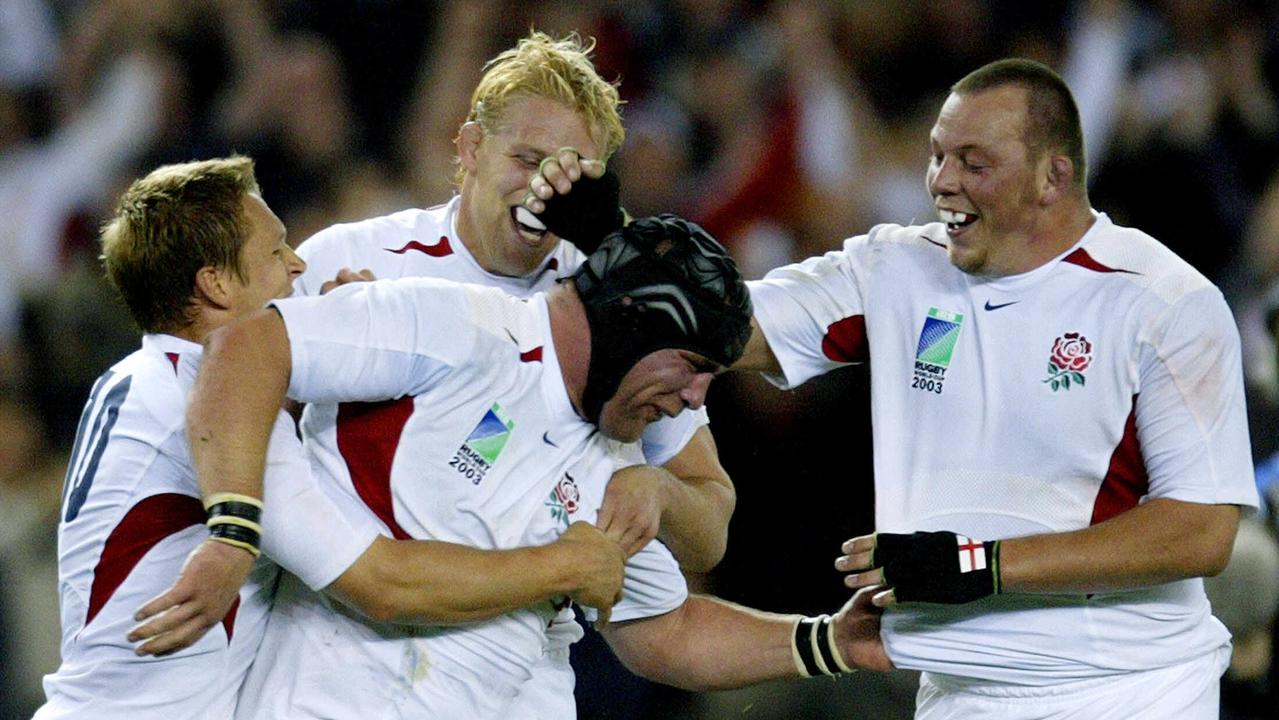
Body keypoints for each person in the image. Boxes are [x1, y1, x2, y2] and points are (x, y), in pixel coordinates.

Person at [184, 212, 893, 717]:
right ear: (628, 326)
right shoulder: (455, 329)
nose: (694, 399)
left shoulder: (614, 466)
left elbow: (664, 632)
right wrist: (232, 529)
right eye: (692, 367)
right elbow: (245, 348)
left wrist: (829, 640)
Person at [730, 58, 1258, 719]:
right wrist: (612, 257)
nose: (942, 182)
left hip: (1128, 690)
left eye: (973, 163)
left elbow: (1199, 532)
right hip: (957, 696)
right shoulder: (896, 270)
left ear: (1052, 177)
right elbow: (727, 327)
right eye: (936, 156)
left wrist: (982, 565)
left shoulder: (1163, 302)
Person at [252, 29, 735, 719]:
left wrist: (655, 487)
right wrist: (313, 376)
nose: (543, 187)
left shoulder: (616, 317)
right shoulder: (352, 261)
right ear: (470, 148)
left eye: (571, 171)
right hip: (341, 644)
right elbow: (235, 403)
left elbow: (710, 520)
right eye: (527, 158)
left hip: (517, 670)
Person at [34, 156, 627, 717]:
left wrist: (338, 347)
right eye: (274, 250)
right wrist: (564, 565)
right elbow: (380, 583)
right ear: (214, 284)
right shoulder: (211, 402)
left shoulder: (140, 376)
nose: (297, 264)